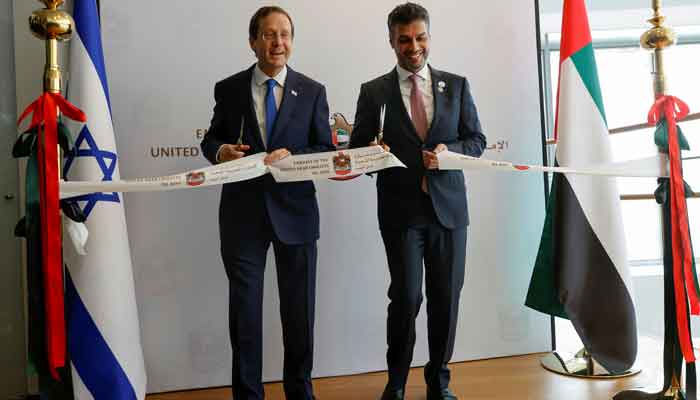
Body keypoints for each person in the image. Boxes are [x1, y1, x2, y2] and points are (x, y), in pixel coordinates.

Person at [349, 3, 487, 400]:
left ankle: (438, 382)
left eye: (420, 37)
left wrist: (449, 151)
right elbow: (358, 149)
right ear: (392, 41)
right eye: (405, 39)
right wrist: (373, 152)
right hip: (400, 212)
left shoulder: (456, 85)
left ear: (429, 37)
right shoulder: (373, 91)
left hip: (449, 213)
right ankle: (395, 384)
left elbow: (476, 141)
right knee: (406, 298)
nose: (414, 46)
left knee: (446, 300)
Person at [200, 6, 333, 400]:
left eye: (285, 34)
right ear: (253, 41)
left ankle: (300, 391)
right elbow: (211, 140)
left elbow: (324, 148)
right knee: (245, 314)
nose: (279, 43)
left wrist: (291, 156)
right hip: (243, 216)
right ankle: (247, 394)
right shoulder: (228, 89)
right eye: (270, 35)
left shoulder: (312, 91)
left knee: (299, 312)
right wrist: (221, 149)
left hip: (297, 214)